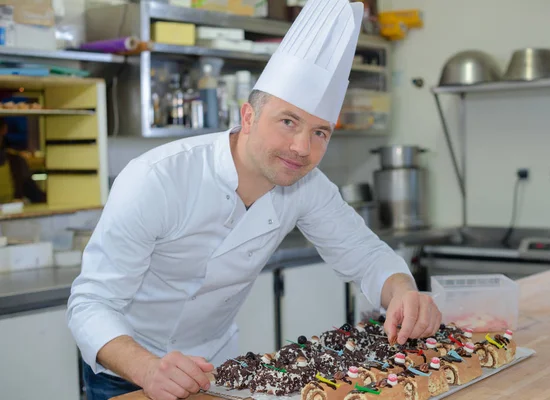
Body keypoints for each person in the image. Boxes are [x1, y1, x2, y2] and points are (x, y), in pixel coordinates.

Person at [67, 1, 442, 400]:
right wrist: (146, 368)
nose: (302, 147)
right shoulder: (157, 179)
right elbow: (91, 303)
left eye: (320, 132)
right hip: (128, 372)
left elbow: (365, 255)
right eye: (287, 122)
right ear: (247, 116)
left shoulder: (307, 185)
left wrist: (403, 291)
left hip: (216, 371)